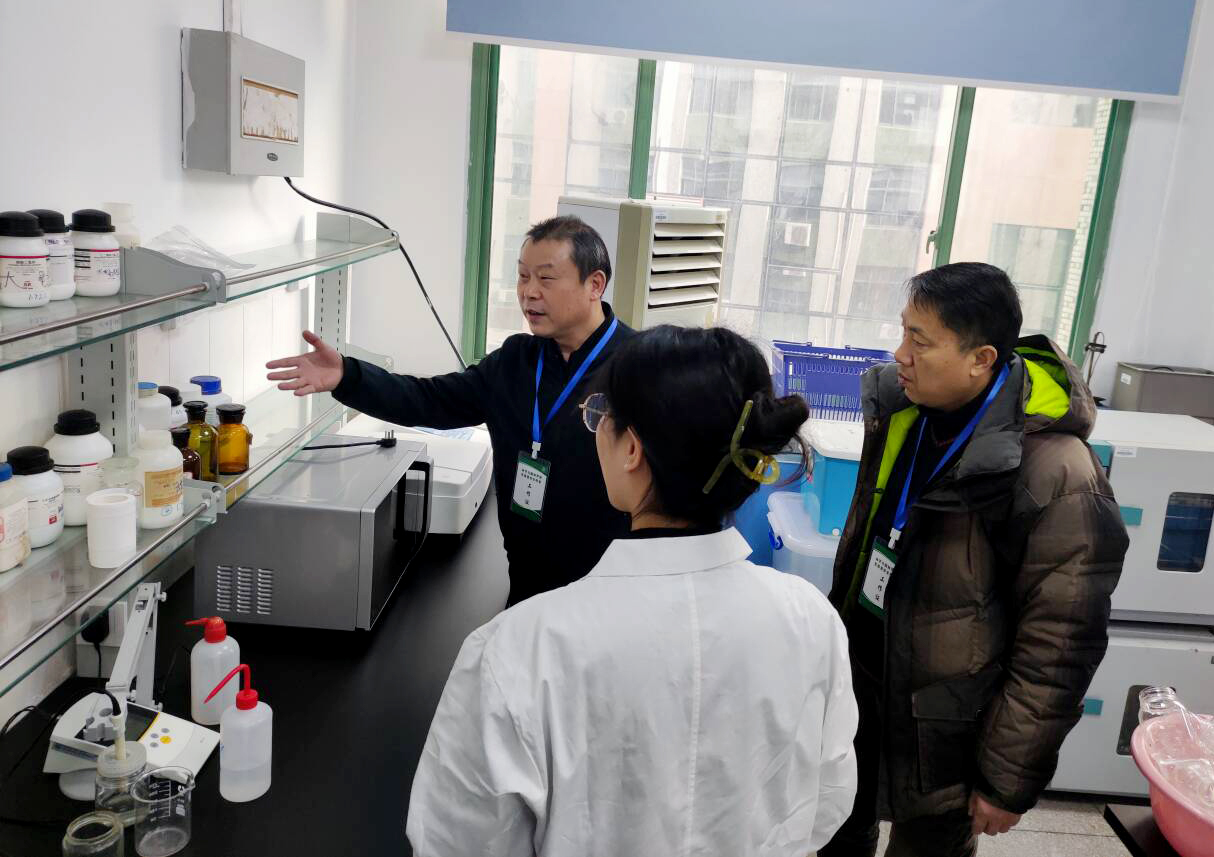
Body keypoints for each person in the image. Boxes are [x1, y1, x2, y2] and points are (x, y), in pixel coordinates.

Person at [406, 325, 858, 857]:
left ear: (632, 449)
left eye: (601, 414)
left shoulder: (520, 649)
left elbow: (457, 841)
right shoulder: (811, 621)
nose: (596, 427)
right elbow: (828, 800)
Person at [821, 263, 1129, 857]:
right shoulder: (906, 411)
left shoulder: (1056, 471)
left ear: (981, 359)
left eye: (920, 341)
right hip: (863, 684)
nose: (900, 354)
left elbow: (1059, 642)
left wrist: (1006, 779)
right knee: (837, 827)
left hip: (949, 724)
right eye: (903, 332)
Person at [265, 216, 634, 606]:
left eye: (546, 279)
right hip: (526, 585)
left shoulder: (639, 368)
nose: (529, 293)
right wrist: (348, 376)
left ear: (595, 285)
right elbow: (430, 399)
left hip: (609, 594)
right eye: (523, 277)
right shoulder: (515, 361)